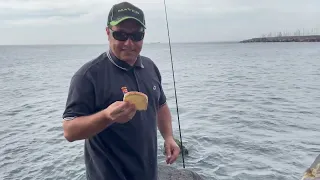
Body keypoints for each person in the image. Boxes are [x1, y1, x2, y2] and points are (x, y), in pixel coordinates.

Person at [62, 1, 180, 180]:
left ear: (143, 35)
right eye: (121, 34)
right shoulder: (88, 76)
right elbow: (69, 131)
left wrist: (169, 137)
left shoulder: (150, 67)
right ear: (108, 33)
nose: (129, 43)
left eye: (136, 35)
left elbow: (160, 105)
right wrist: (106, 116)